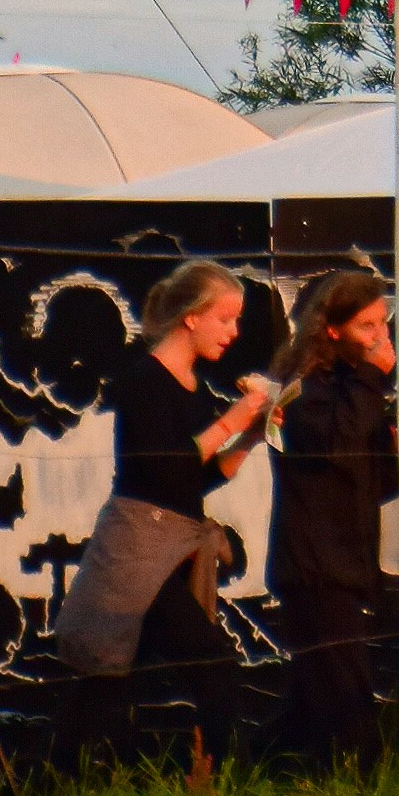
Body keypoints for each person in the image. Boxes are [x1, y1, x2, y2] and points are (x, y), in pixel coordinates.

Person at [53, 258, 280, 769]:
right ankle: (213, 784)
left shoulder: (193, 386)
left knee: (106, 689)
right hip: (137, 554)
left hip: (170, 551)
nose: (234, 332)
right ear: (192, 317)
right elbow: (164, 466)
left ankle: (58, 784)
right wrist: (233, 417)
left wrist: (255, 430)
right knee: (202, 667)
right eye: (226, 319)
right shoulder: (145, 381)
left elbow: (199, 475)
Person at [268, 267, 399, 765]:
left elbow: (371, 485)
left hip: (343, 561)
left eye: (383, 326)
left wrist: (395, 448)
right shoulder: (304, 386)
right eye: (367, 327)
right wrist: (373, 378)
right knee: (348, 703)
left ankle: (235, 773)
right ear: (332, 328)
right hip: (315, 565)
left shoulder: (352, 387)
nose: (378, 339)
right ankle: (364, 793)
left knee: (308, 707)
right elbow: (334, 446)